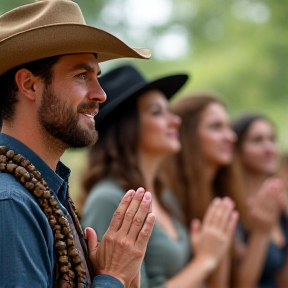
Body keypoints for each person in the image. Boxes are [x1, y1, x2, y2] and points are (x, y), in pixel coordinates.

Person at [0, 1, 156, 287]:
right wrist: (113, 278)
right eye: (81, 76)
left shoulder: (44, 191)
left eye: (96, 76)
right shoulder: (10, 202)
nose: (101, 94)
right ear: (29, 85)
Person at [79, 65, 239, 288]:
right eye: (157, 112)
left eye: (169, 111)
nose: (175, 121)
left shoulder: (165, 196)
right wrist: (205, 260)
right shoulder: (108, 199)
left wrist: (216, 253)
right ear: (127, 127)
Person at [163, 92, 285, 288]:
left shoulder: (222, 195)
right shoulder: (168, 199)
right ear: (187, 134)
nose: (230, 136)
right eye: (216, 127)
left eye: (228, 126)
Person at [232, 113, 288, 288]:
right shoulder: (232, 206)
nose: (269, 148)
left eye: (272, 139)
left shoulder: (279, 201)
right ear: (237, 149)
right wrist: (261, 232)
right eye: (257, 140)